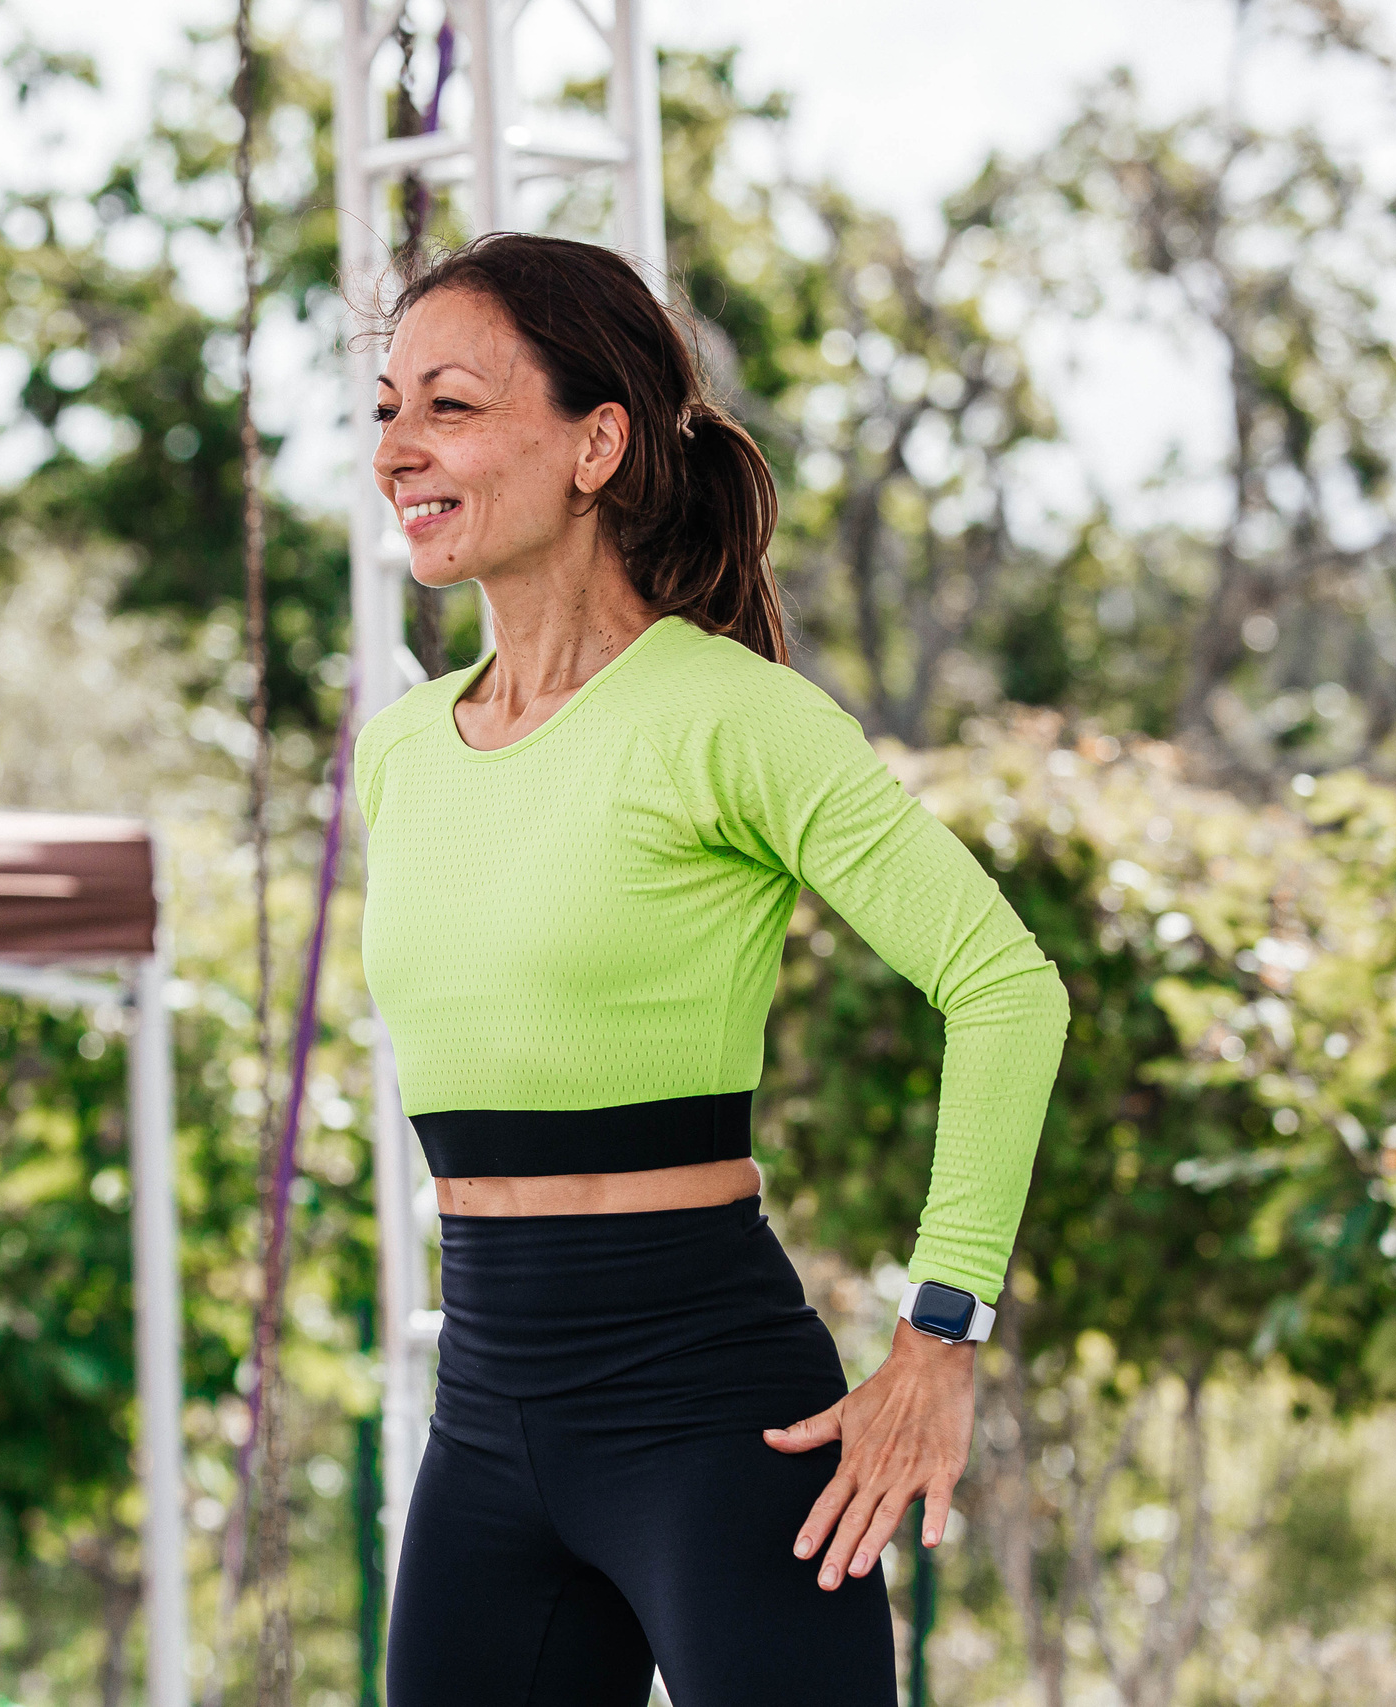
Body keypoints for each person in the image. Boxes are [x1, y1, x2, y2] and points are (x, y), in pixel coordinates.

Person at [357, 234, 1070, 1705]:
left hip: (711, 1416)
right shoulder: (400, 752)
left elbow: (1006, 984)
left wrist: (942, 1333)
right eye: (384, 409)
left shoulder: (735, 716)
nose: (399, 449)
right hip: (485, 1409)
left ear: (595, 443)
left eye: (451, 405)